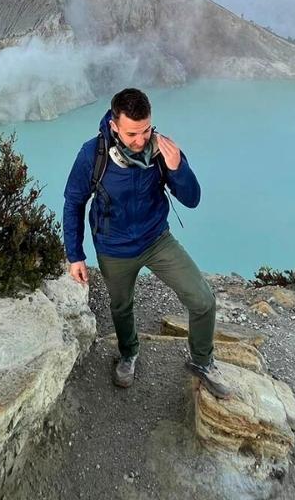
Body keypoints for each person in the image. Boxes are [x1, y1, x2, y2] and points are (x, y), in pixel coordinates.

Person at [62, 87, 233, 399]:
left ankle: (203, 361)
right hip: (113, 247)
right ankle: (128, 354)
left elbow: (192, 199)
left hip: (156, 239)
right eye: (131, 134)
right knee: (121, 305)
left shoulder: (161, 151)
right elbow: (74, 202)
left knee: (203, 300)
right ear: (114, 126)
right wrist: (76, 255)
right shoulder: (93, 154)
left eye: (146, 131)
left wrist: (178, 167)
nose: (141, 140)